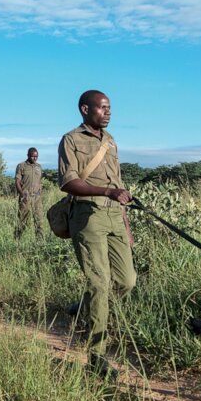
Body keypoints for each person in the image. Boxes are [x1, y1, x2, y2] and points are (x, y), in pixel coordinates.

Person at [58, 90, 136, 379]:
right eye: (102, 108)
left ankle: (85, 307)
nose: (108, 112)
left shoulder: (111, 141)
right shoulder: (71, 140)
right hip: (87, 216)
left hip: (115, 215)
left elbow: (118, 183)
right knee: (100, 285)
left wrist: (126, 227)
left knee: (127, 281)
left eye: (109, 108)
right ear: (84, 109)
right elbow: (68, 183)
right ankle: (97, 359)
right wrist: (107, 192)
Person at [14, 147, 44, 239]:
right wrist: (22, 194)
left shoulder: (39, 167)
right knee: (22, 221)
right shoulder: (21, 166)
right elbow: (17, 181)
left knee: (39, 221)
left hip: (37, 198)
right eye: (33, 157)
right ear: (28, 156)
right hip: (25, 197)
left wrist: (40, 192)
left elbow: (40, 181)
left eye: (36, 157)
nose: (35, 158)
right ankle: (17, 241)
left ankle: (40, 243)